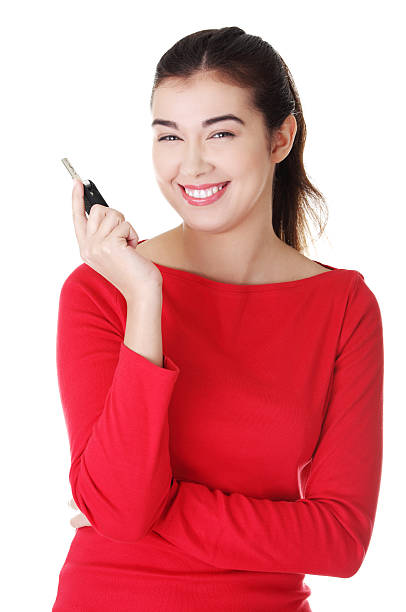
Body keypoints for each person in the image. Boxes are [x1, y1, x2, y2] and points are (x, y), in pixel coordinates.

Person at [52, 26, 384, 612]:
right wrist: (145, 300)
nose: (192, 164)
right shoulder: (102, 293)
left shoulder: (344, 307)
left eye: (221, 133)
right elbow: (120, 511)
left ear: (280, 138)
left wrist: (156, 505)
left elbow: (340, 540)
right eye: (169, 136)